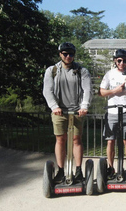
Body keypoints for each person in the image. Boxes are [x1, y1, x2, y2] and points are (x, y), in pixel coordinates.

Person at [43, 42, 93, 183]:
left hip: (77, 111)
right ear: (60, 54)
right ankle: (60, 170)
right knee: (60, 140)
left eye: (71, 54)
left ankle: (78, 170)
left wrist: (84, 106)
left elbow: (87, 90)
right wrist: (54, 106)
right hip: (59, 111)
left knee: (77, 140)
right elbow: (48, 90)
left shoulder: (82, 71)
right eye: (65, 54)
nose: (68, 56)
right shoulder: (52, 70)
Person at [99, 49, 126, 180]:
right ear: (115, 61)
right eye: (119, 60)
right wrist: (115, 90)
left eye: (124, 60)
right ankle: (111, 168)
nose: (122, 63)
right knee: (110, 141)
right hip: (112, 111)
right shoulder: (109, 74)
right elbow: (101, 92)